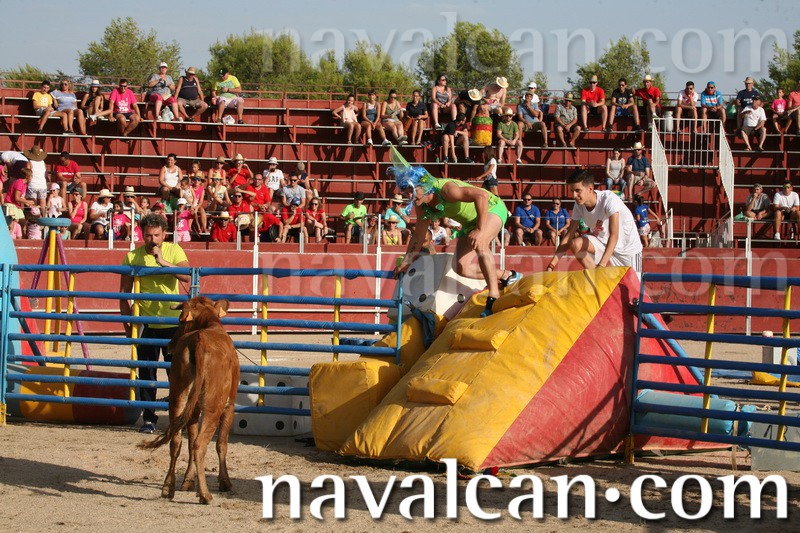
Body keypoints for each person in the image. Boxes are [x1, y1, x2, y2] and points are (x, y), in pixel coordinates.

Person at [392, 162, 518, 318]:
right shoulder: (422, 205)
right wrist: (406, 262)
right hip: (470, 223)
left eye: (411, 191)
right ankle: (507, 275)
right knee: (460, 267)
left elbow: (482, 196)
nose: (409, 197)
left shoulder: (446, 189)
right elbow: (418, 236)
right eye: (406, 193)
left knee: (480, 242)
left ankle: (493, 296)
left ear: (424, 186)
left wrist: (480, 229)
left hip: (491, 209)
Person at [119, 213, 190, 433]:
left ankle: (178, 419)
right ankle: (149, 419)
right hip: (146, 322)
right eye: (148, 235)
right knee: (147, 373)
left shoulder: (174, 250)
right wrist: (128, 326)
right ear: (142, 235)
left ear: (164, 234)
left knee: (176, 374)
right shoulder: (132, 256)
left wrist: (163, 262)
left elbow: (187, 276)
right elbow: (123, 293)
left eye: (156, 235)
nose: (153, 240)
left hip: (173, 322)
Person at [546, 169, 642, 274]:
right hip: (603, 243)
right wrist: (551, 266)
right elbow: (569, 236)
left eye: (578, 191)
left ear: (590, 189)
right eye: (572, 191)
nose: (574, 196)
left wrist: (601, 265)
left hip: (628, 249)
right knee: (575, 244)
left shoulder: (609, 199)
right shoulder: (579, 205)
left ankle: (599, 272)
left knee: (634, 284)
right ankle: (596, 277)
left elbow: (614, 236)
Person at [22, 145, 48, 212]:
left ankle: (34, 216)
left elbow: (27, 173)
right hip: (42, 184)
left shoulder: (30, 162)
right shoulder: (43, 162)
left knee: (33, 203)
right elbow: (45, 173)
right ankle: (44, 216)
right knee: (43, 204)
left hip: (33, 184)